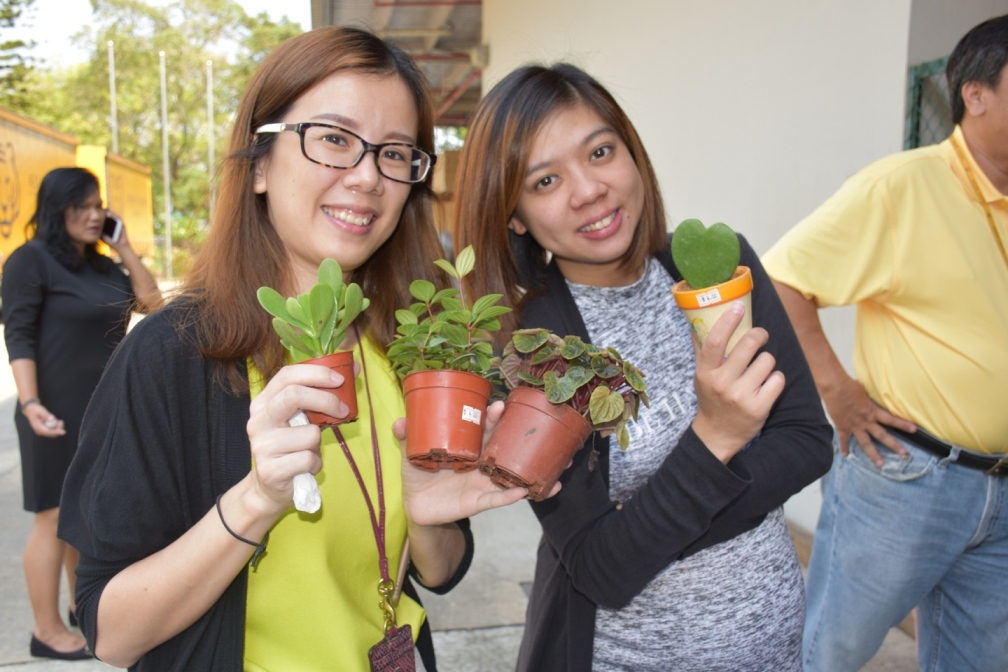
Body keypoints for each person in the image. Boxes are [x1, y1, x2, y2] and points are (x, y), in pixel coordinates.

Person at [57, 27, 537, 672]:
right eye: (334, 139)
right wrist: (255, 499)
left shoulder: (413, 348)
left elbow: (441, 572)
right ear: (258, 164)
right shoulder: (173, 353)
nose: (367, 176)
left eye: (395, 153)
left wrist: (428, 517)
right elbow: (111, 633)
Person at [453, 63, 834, 672]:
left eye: (600, 151)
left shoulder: (719, 265)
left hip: (774, 645)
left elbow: (808, 442)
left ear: (631, 152)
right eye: (546, 180)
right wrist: (717, 437)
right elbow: (602, 570)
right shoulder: (529, 346)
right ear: (515, 214)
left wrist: (648, 528)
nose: (588, 190)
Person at [762, 15, 1008, 672]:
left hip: (1002, 483)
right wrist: (837, 391)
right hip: (908, 477)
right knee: (830, 649)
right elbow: (781, 279)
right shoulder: (899, 187)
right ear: (975, 95)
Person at [1, 166, 161, 661]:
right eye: (82, 207)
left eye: (99, 206)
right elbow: (19, 334)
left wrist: (126, 248)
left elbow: (153, 306)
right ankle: (46, 631)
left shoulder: (104, 266)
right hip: (51, 412)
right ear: (57, 209)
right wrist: (30, 404)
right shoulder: (31, 261)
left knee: (84, 513)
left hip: (102, 410)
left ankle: (78, 608)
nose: (94, 215)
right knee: (51, 519)